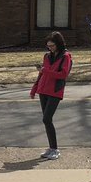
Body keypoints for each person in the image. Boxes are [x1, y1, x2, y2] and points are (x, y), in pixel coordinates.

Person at [29, 31, 73, 160]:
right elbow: (41, 74)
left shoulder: (66, 56)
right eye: (48, 46)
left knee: (46, 119)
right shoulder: (47, 56)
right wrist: (34, 89)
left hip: (55, 90)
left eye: (52, 45)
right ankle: (51, 148)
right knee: (47, 121)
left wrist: (45, 71)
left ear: (58, 44)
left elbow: (63, 75)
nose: (50, 48)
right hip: (43, 90)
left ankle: (55, 149)